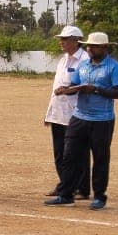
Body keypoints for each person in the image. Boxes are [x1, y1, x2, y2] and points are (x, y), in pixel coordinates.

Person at [45, 32, 118, 210]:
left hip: (102, 120)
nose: (89, 49)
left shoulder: (114, 67)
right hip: (79, 117)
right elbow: (74, 86)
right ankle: (66, 194)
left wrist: (96, 90)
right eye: (88, 46)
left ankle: (99, 197)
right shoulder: (83, 65)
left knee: (100, 159)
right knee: (69, 156)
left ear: (105, 48)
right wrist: (66, 89)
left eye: (94, 46)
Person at [44, 25, 91, 200]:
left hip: (76, 114)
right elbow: (56, 88)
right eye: (61, 39)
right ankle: (65, 185)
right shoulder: (63, 60)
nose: (61, 42)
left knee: (77, 153)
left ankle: (82, 188)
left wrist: (68, 89)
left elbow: (86, 85)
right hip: (58, 113)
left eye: (64, 39)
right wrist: (49, 113)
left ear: (75, 41)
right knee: (59, 152)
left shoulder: (85, 60)